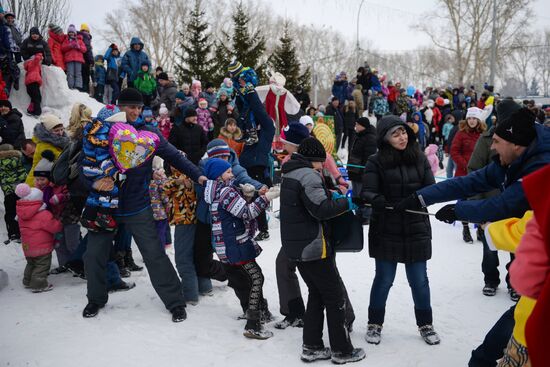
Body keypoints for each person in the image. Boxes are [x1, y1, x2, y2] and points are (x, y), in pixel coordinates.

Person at [396, 106, 550, 366]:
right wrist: (421, 197)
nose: (492, 148)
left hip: (540, 283)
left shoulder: (541, 168)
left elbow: (503, 205)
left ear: (517, 144)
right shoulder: (511, 159)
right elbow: (469, 182)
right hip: (535, 289)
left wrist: (460, 210)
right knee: (491, 349)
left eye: (498, 142)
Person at [82, 88, 207, 322]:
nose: (135, 111)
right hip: (105, 206)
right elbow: (85, 164)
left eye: (139, 107)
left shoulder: (148, 134)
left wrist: (197, 175)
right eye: (131, 107)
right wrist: (95, 181)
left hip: (137, 205)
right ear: (119, 107)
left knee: (154, 254)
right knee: (94, 255)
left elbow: (175, 157)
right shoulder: (101, 130)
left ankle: (175, 302)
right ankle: (95, 299)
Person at [279, 137, 365, 364]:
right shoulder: (308, 175)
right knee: (334, 297)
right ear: (314, 159)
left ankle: (312, 346)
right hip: (313, 247)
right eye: (321, 162)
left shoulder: (290, 172)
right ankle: (342, 350)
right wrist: (346, 202)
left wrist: (330, 194)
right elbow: (320, 209)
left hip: (297, 246)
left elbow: (307, 203)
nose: (322, 166)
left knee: (317, 295)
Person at [358, 115, 439, 346]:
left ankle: (426, 324)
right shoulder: (376, 161)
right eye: (395, 134)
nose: (402, 137)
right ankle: (374, 323)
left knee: (419, 280)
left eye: (403, 132)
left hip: (416, 226)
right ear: (385, 138)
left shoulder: (419, 157)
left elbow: (431, 189)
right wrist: (379, 200)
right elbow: (368, 192)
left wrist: (416, 200)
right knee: (384, 279)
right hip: (387, 227)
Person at [203, 157, 280, 339]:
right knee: (256, 278)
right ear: (218, 175)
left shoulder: (216, 191)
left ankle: (259, 313)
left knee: (248, 278)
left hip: (227, 245)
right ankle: (253, 323)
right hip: (236, 245)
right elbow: (247, 213)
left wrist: (245, 196)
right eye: (228, 171)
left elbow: (232, 214)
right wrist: (265, 198)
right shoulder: (226, 192)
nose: (232, 174)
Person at [164, 164, 212, 304]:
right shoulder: (195, 177)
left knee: (183, 258)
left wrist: (176, 181)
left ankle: (190, 294)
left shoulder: (178, 179)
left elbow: (161, 189)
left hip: (184, 221)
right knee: (197, 255)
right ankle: (204, 286)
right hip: (199, 221)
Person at [15, 183, 62, 292]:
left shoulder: (21, 214)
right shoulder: (43, 214)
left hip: (27, 246)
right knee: (42, 265)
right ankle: (38, 284)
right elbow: (53, 227)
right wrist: (60, 224)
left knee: (31, 263)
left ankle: (27, 280)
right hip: (42, 246)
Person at [450, 106, 487, 243]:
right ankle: (465, 228)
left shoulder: (484, 134)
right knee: (464, 201)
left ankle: (480, 229)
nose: (471, 121)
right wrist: (466, 165)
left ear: (478, 120)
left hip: (480, 173)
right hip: (463, 173)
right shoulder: (461, 133)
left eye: (474, 118)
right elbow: (454, 151)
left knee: (481, 201)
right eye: (469, 118)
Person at [347, 117, 377, 225]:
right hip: (355, 170)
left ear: (363, 126)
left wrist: (364, 170)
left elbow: (369, 157)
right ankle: (358, 213)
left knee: (363, 194)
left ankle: (366, 215)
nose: (355, 126)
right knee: (356, 194)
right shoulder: (359, 136)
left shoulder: (370, 138)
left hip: (362, 172)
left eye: (357, 124)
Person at [25, 114, 69, 185]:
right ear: (47, 131)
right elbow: (61, 159)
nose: (60, 133)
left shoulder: (57, 141)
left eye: (62, 129)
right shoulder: (44, 145)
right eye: (56, 130)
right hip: (36, 184)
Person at [0, 143, 27, 244]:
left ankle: (13, 234)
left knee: (10, 213)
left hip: (8, 192)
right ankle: (26, 231)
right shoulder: (19, 160)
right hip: (21, 190)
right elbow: (24, 174)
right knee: (24, 211)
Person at [61, 25, 87, 90]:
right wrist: (70, 46)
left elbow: (84, 49)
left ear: (75, 33)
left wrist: (79, 47)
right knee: (70, 73)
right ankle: (70, 86)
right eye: (70, 32)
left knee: (78, 73)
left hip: (78, 59)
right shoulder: (66, 40)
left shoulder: (79, 40)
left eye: (72, 32)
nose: (71, 33)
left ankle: (78, 87)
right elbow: (63, 48)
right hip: (69, 59)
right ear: (68, 33)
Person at [77, 24, 94, 93]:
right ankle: (85, 92)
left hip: (79, 59)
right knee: (86, 77)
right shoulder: (86, 37)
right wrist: (91, 60)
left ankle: (82, 91)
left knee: (81, 76)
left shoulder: (79, 36)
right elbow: (88, 50)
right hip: (85, 60)